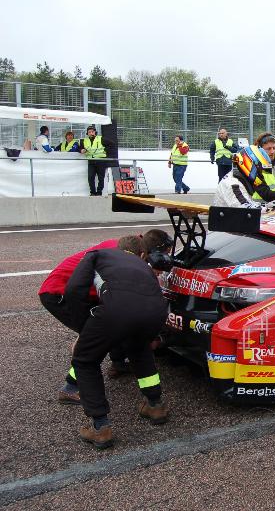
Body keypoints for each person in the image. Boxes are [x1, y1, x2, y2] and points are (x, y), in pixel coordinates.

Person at [43, 230, 173, 404]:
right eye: (163, 255)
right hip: (60, 292)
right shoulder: (118, 252)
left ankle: (118, 364)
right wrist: (87, 329)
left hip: (83, 292)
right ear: (150, 252)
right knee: (95, 339)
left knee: (117, 323)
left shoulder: (129, 247)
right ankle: (70, 387)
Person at [65, 235, 170, 449]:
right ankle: (155, 405)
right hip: (157, 313)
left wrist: (84, 327)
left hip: (116, 310)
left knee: (85, 361)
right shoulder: (144, 266)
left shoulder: (96, 255)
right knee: (140, 350)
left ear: (118, 248)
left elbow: (74, 289)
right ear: (142, 254)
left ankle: (100, 427)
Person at [212, 144, 275, 209]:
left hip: (233, 225)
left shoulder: (241, 179)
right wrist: (272, 209)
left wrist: (268, 206)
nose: (261, 174)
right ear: (250, 165)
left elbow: (248, 204)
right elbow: (246, 209)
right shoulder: (233, 184)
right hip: (226, 229)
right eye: (259, 170)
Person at [80, 125, 112, 196]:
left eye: (92, 131)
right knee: (90, 177)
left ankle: (99, 192)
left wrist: (105, 150)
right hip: (91, 161)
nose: (91, 133)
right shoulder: (85, 140)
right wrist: (81, 150)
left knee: (101, 178)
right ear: (87, 133)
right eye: (89, 132)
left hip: (101, 160)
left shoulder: (100, 138)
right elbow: (80, 147)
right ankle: (93, 192)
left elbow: (111, 144)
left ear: (95, 132)